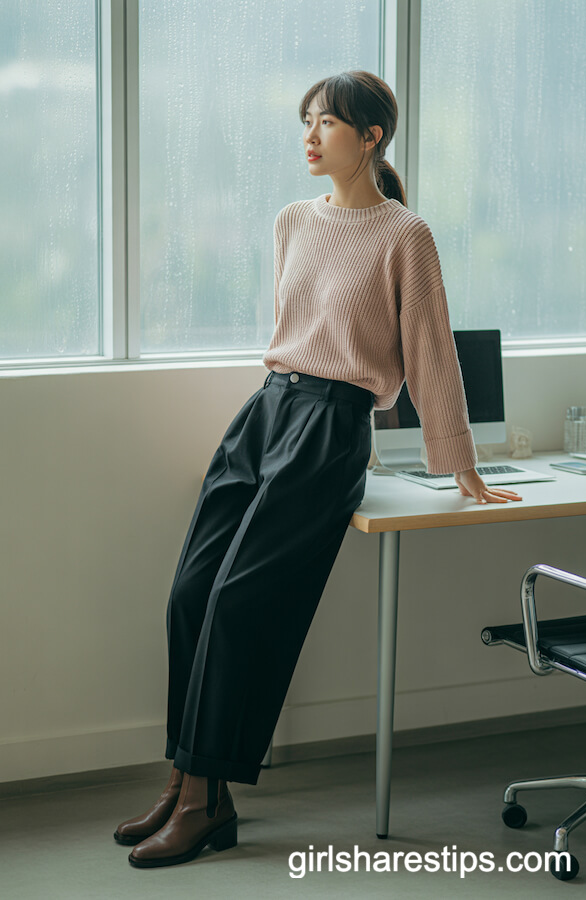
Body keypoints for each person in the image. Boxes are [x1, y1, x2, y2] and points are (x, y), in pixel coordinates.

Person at [114, 69, 522, 869]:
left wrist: (459, 463)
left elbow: (430, 351)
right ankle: (190, 782)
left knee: (237, 603)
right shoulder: (293, 221)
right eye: (306, 120)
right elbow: (296, 325)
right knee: (191, 593)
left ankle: (200, 802)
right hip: (265, 409)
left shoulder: (407, 235)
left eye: (327, 122)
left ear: (371, 137)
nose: (309, 135)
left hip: (330, 427)